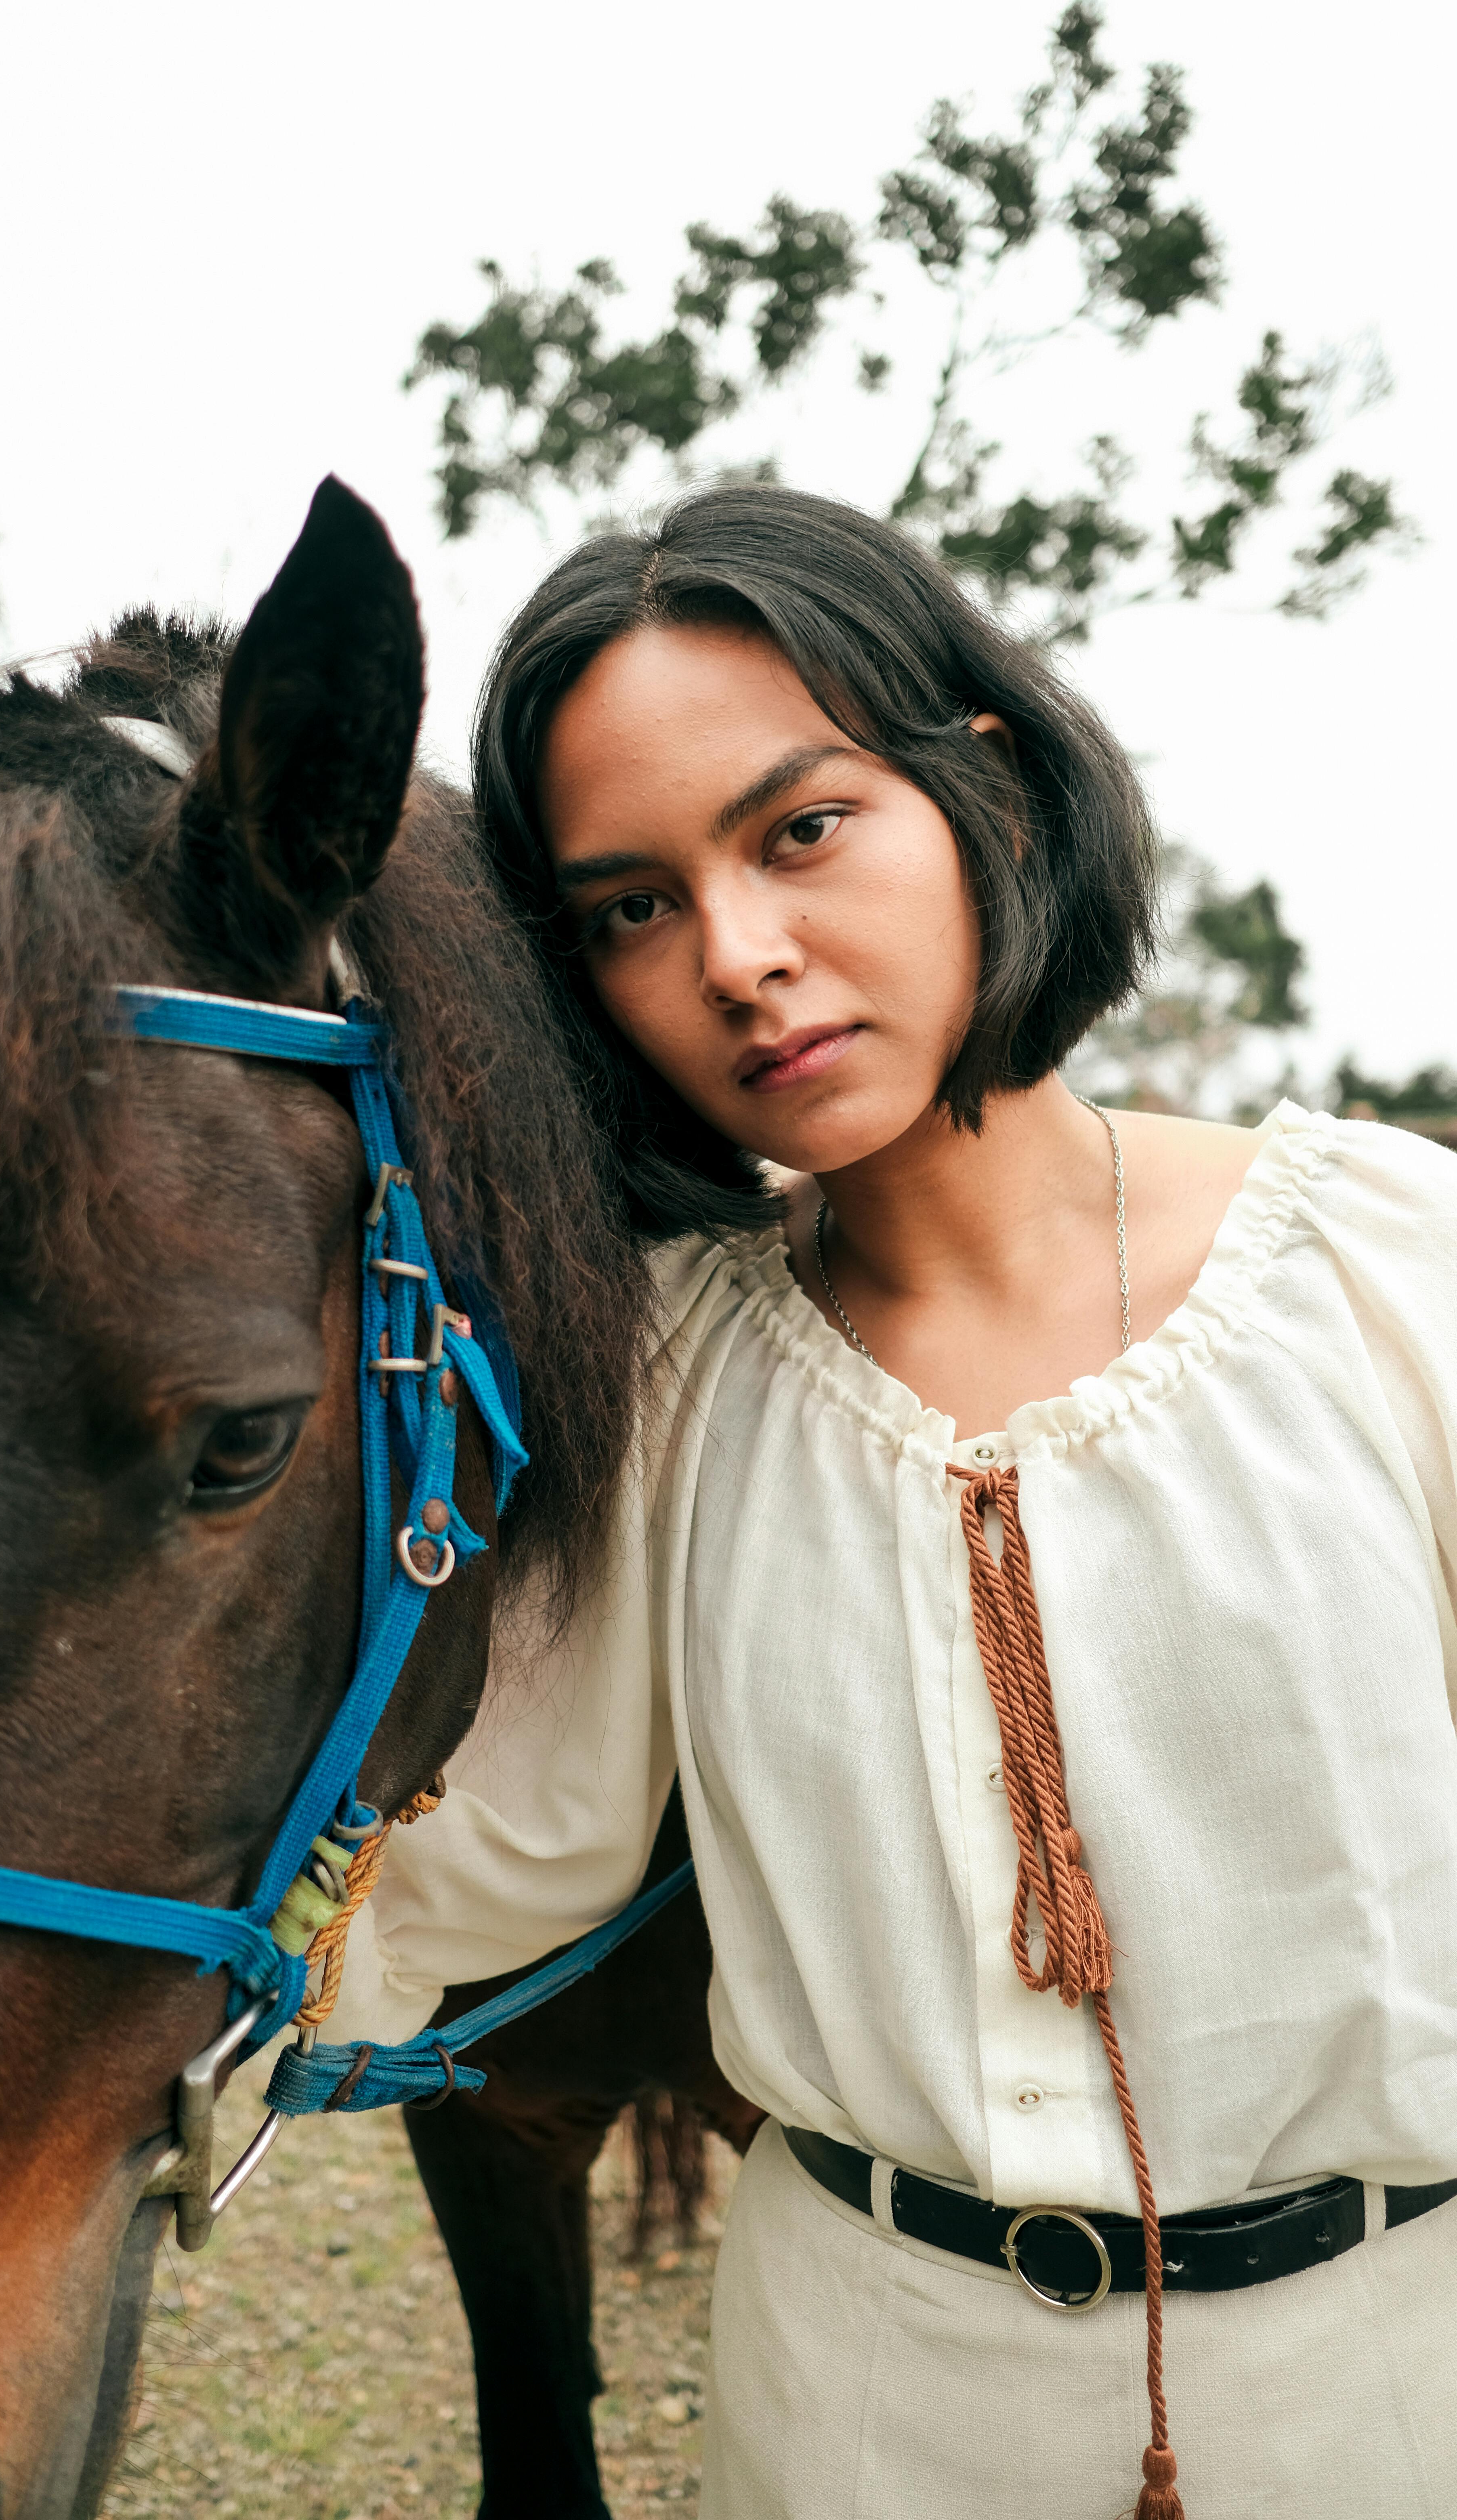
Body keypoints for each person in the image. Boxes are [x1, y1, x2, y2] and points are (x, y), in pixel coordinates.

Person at [331, 486, 1457, 2518]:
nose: (739, 960)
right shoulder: (660, 1382)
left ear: (986, 794)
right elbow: (458, 1878)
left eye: (797, 830)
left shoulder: (1392, 1266)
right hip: (851, 2422)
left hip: (1396, 2387)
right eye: (627, 909)